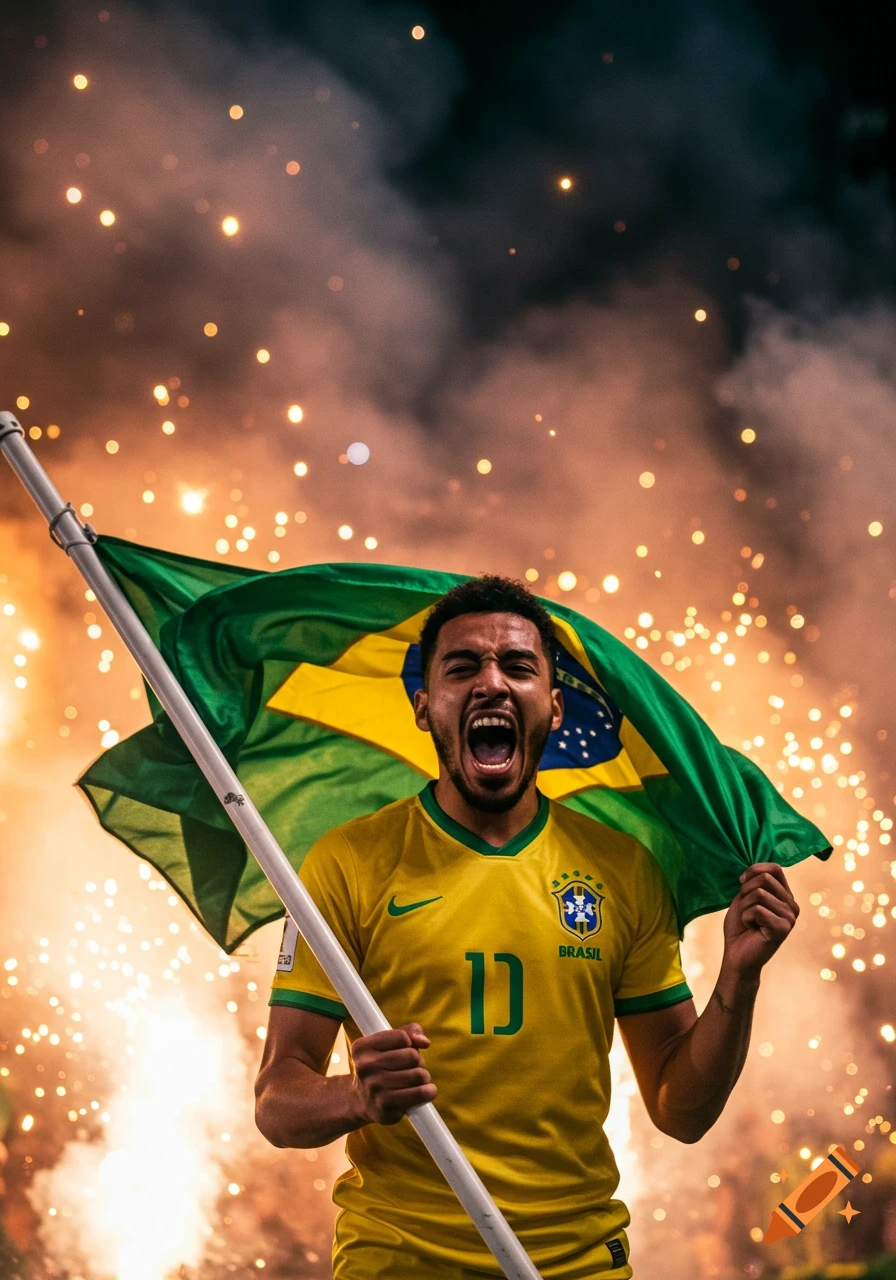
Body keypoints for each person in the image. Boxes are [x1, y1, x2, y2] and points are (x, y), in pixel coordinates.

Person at [255, 576, 801, 1279]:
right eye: (462, 668)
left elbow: (680, 1110)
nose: (491, 683)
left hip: (575, 1262)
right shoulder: (347, 862)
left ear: (554, 705)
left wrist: (739, 977)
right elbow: (276, 1101)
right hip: (399, 1260)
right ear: (424, 707)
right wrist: (356, 1096)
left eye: (517, 666)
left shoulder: (622, 869)